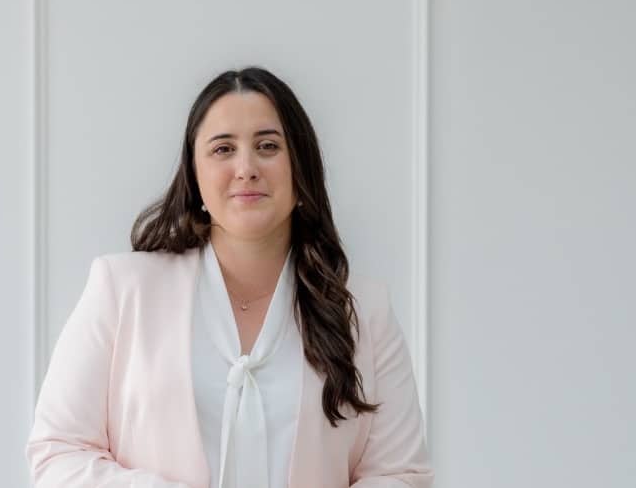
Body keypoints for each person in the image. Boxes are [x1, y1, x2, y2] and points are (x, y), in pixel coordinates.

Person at [25, 66, 434, 488]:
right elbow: (58, 453)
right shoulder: (122, 289)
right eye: (223, 149)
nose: (246, 167)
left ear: (301, 167)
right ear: (195, 173)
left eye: (268, 146)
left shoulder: (364, 310)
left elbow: (400, 475)